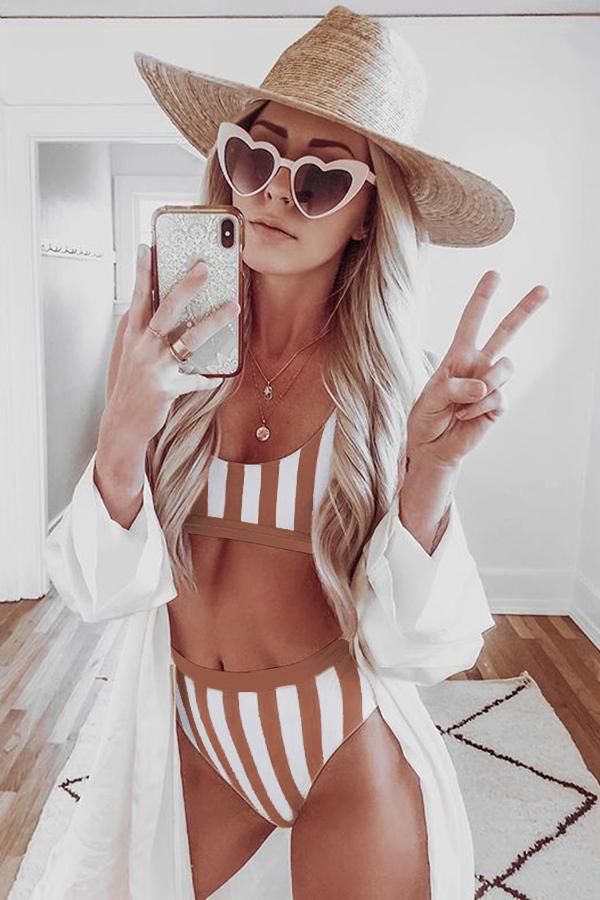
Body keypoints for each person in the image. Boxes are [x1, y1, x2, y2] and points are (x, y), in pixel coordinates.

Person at [34, 5, 549, 900]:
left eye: (319, 178)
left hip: (343, 756)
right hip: (197, 746)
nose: (275, 191)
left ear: (367, 217)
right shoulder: (157, 355)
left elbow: (424, 647)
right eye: (255, 157)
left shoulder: (401, 388)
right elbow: (97, 591)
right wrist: (122, 430)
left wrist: (434, 473)